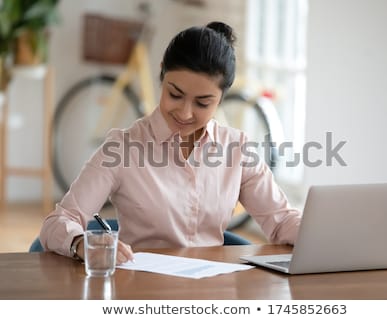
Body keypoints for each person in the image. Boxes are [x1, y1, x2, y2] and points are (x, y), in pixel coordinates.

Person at [39, 21, 301, 264]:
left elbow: (281, 222)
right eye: (175, 94)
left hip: (213, 293)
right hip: (142, 292)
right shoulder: (122, 148)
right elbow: (57, 223)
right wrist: (82, 244)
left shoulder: (237, 149)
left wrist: (327, 235)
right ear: (162, 72)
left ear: (221, 98)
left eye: (202, 102)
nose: (185, 113)